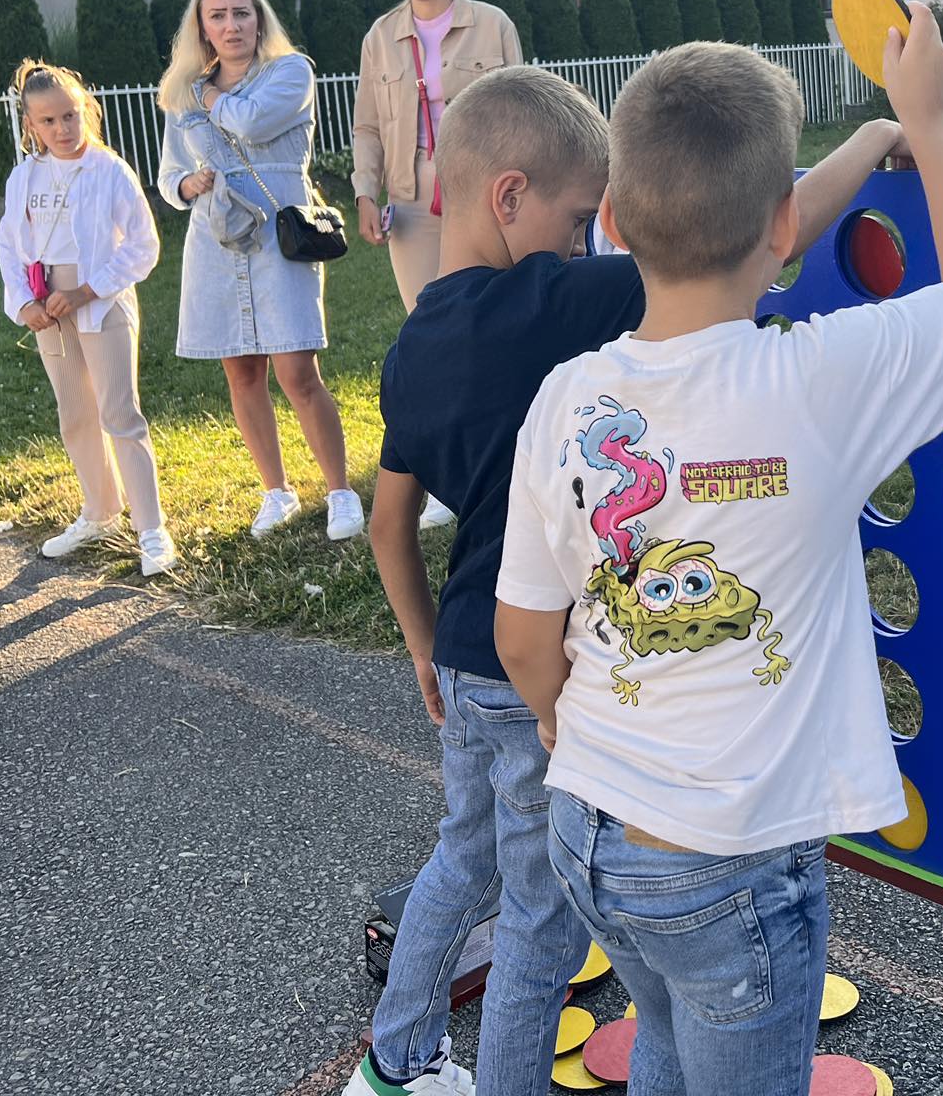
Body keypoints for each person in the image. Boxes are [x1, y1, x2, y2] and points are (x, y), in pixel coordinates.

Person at [349, 64, 907, 1096]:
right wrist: (874, 139)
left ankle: (397, 1056)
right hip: (531, 671)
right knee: (537, 929)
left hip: (462, 661)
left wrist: (423, 649)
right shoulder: (558, 302)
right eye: (575, 222)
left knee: (459, 860)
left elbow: (389, 524)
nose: (582, 246)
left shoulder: (412, 340)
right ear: (508, 197)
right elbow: (753, 240)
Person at [495, 8, 943, 1096]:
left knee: (664, 1045)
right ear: (785, 224)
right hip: (725, 863)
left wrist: (556, 719)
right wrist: (924, 121)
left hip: (586, 827)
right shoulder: (813, 380)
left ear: (614, 221)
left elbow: (522, 638)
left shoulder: (564, 397)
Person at [156, 0, 363, 542]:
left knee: (298, 371)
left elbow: (251, 121)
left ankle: (340, 491)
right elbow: (169, 172)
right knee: (241, 371)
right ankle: (277, 491)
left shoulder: (290, 72)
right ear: (202, 27)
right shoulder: (181, 93)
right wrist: (186, 186)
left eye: (241, 13)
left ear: (259, 18)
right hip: (216, 236)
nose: (231, 26)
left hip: (279, 233)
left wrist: (208, 95)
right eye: (218, 16)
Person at [352, 0, 522, 531]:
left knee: (494, 323)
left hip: (481, 189)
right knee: (433, 333)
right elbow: (368, 125)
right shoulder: (381, 36)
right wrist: (364, 192)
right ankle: (449, 479)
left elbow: (522, 108)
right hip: (413, 198)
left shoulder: (493, 25)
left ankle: (510, 458)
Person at [0, 60, 176, 577]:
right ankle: (100, 510)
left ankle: (151, 528)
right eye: (48, 121)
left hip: (100, 301)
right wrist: (23, 302)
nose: (62, 129)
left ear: (85, 111)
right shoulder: (25, 177)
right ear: (31, 125)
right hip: (49, 307)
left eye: (70, 116)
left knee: (119, 412)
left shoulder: (108, 170)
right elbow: (9, 245)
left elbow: (143, 245)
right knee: (74, 412)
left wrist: (86, 291)